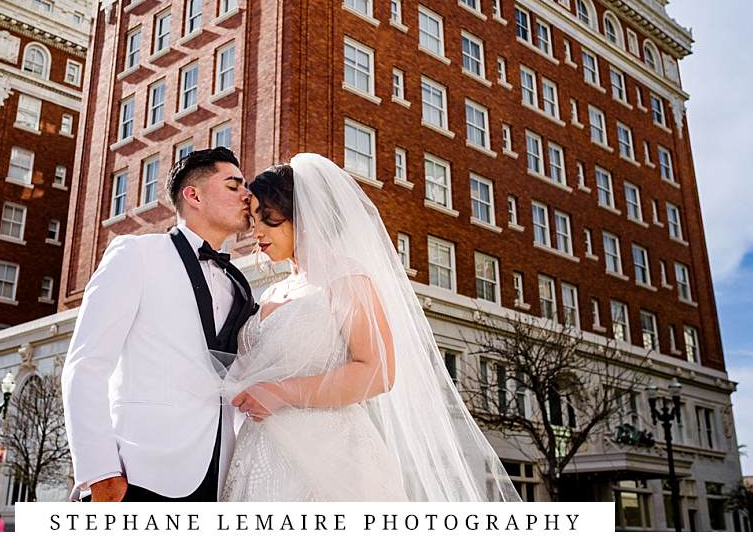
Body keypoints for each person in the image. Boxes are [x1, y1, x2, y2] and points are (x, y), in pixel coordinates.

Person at [220, 153, 521, 501]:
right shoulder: (271, 291)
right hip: (257, 450)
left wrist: (282, 392)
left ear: (303, 217)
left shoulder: (346, 279)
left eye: (267, 219)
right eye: (253, 219)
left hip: (327, 459)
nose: (255, 231)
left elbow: (377, 371)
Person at [62, 148, 258, 501]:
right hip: (137, 470)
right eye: (233, 186)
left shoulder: (238, 283)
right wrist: (99, 471)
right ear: (193, 195)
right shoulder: (135, 255)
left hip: (218, 472)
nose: (247, 195)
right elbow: (86, 364)